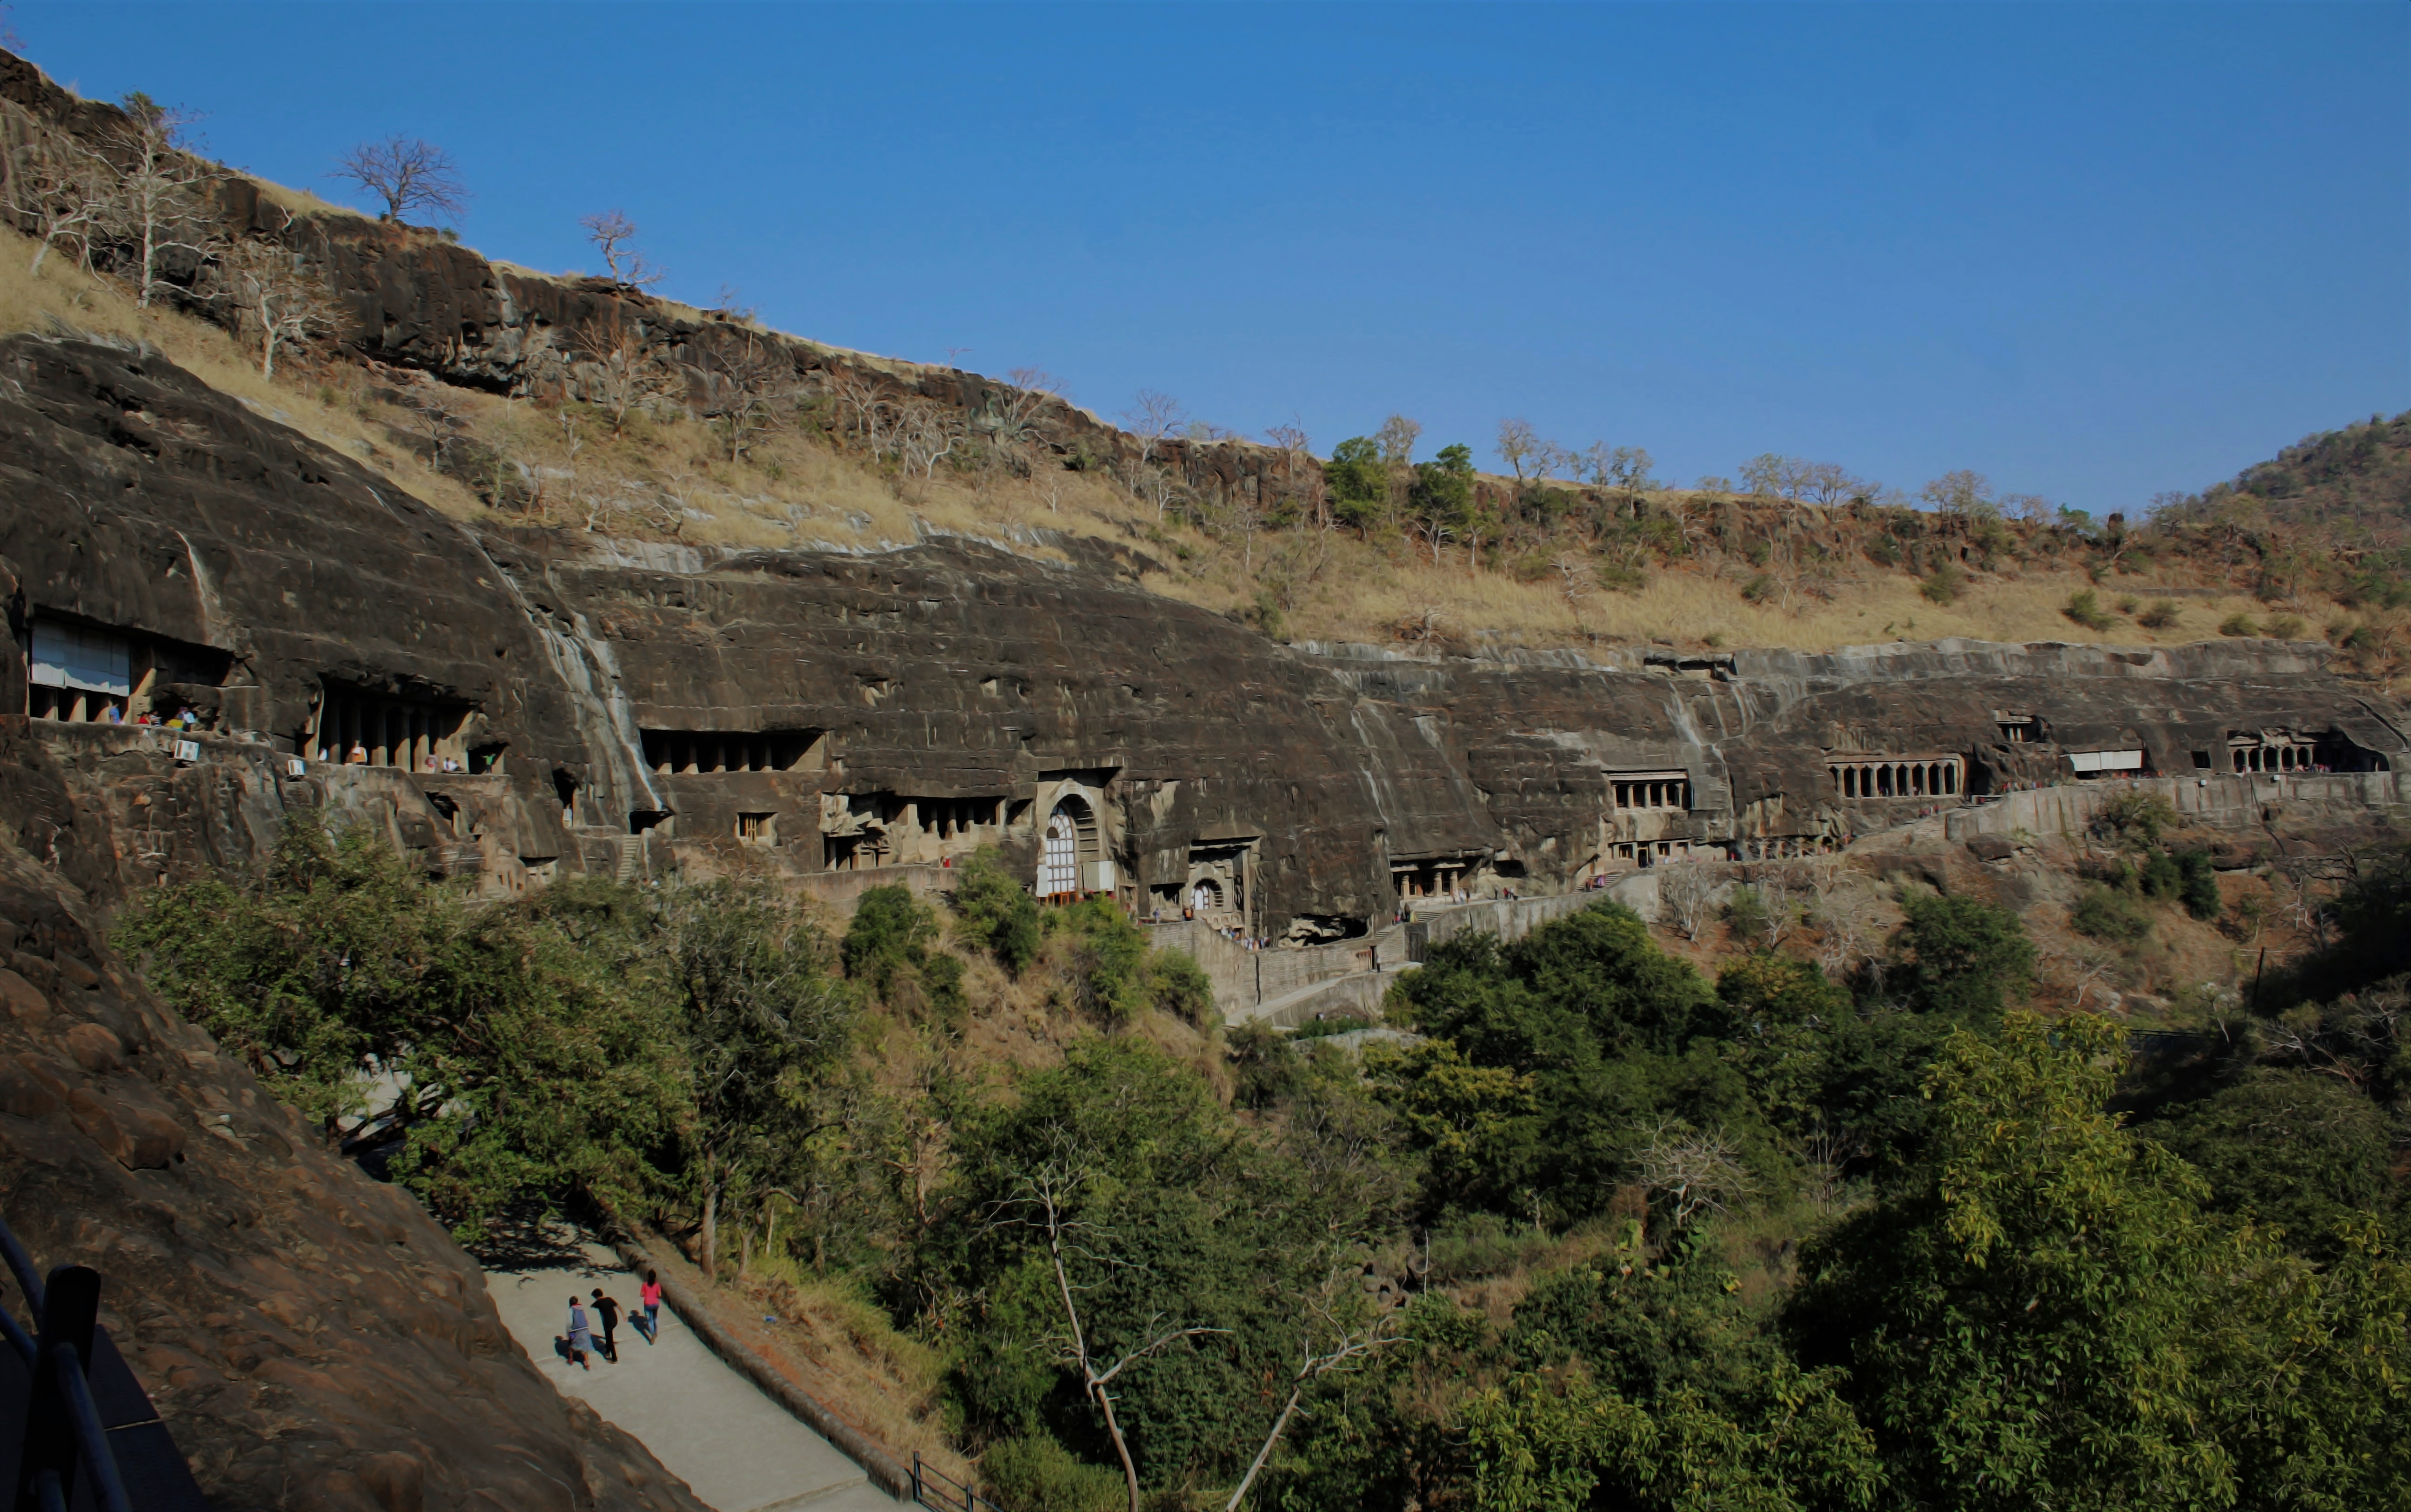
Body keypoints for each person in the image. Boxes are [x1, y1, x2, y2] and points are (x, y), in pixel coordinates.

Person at [590, 1287, 622, 1363]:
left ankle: (614, 1358)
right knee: (609, 1337)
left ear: (597, 1297)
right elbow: (618, 1306)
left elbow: (592, 1306)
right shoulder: (609, 1299)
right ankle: (607, 1351)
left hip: (608, 1324)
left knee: (610, 1340)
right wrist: (624, 1315)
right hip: (615, 1321)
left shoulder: (598, 1303)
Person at [566, 1295, 594, 1371]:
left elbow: (569, 1323)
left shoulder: (571, 1310)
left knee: (571, 1344)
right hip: (585, 1330)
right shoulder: (582, 1308)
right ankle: (586, 1363)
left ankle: (571, 1359)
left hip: (575, 1331)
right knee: (585, 1345)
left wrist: (568, 1332)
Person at [638, 1270, 662, 1344]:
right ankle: (656, 1331)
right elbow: (660, 1295)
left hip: (648, 1304)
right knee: (654, 1318)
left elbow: (642, 1294)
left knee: (649, 1320)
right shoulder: (657, 1285)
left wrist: (647, 1294)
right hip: (655, 1304)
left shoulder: (645, 1284)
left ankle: (652, 1334)